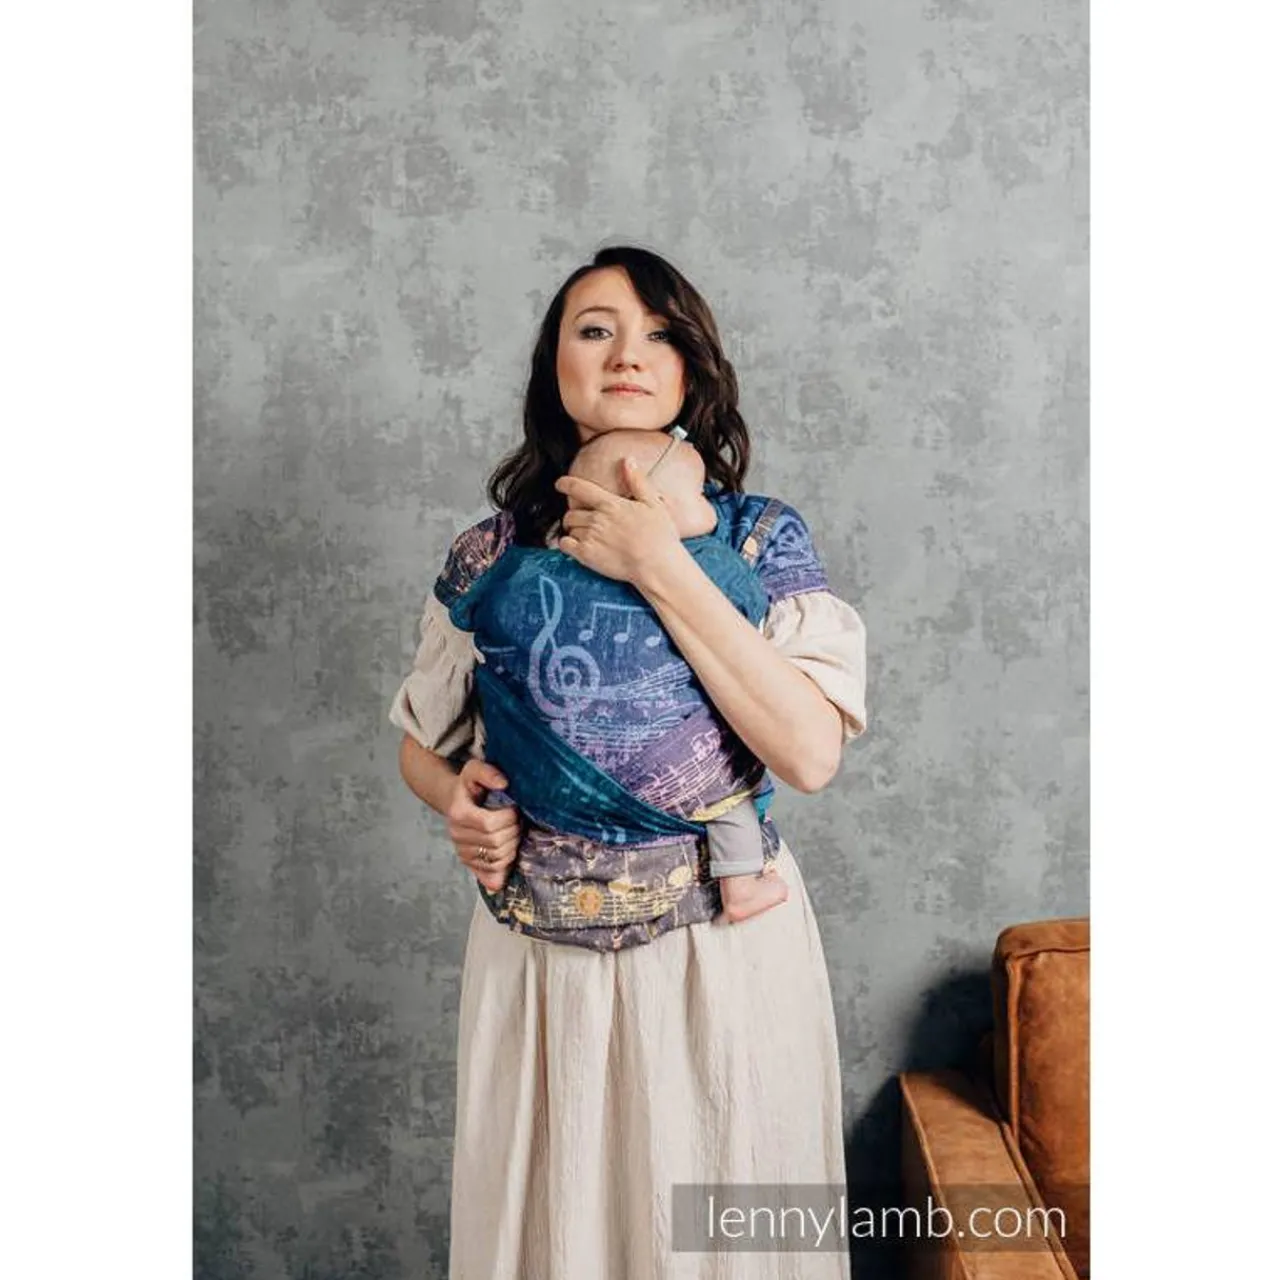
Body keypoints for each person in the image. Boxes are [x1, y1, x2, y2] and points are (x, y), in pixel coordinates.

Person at [390, 245, 868, 1278]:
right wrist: (457, 799)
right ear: (554, 367)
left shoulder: (757, 540)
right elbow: (424, 749)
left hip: (718, 949)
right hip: (538, 952)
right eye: (595, 329)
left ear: (690, 372)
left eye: (658, 334)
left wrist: (659, 562)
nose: (626, 354)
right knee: (553, 1231)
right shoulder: (489, 555)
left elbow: (808, 751)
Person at [451, 423, 789, 928]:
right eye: (699, 495)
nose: (711, 507)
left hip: (541, 793)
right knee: (735, 791)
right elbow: (750, 604)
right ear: (652, 502)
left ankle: (502, 874)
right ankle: (740, 884)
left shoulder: (519, 570)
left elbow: (478, 624)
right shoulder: (711, 559)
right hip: (688, 807)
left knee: (512, 778)